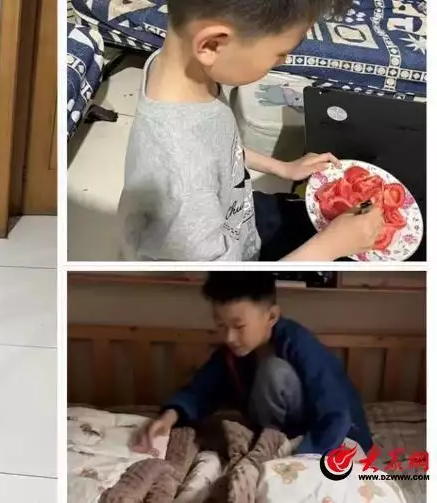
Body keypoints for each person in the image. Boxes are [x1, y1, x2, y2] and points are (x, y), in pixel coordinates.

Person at [117, 0, 384, 261]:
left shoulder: (177, 71)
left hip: (237, 217)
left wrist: (282, 168)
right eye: (280, 53)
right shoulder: (183, 184)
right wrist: (329, 247)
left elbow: (216, 146)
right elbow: (220, 286)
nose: (283, 61)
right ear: (211, 45)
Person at [130, 272, 373, 456]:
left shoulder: (299, 344)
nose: (229, 337)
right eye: (221, 325)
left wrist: (304, 457)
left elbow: (335, 409)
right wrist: (169, 417)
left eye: (239, 326)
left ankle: (278, 445)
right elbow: (200, 390)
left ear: (271, 316)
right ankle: (270, 442)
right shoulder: (231, 354)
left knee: (274, 372)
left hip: (320, 437)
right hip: (275, 434)